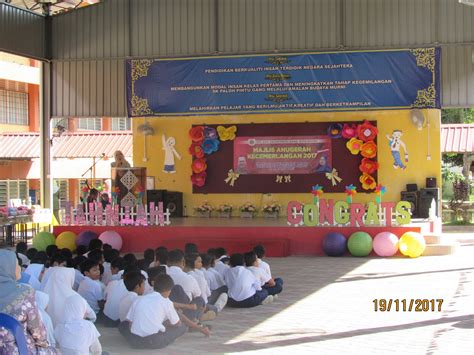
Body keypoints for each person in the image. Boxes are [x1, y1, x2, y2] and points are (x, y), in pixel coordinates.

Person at [0, 250, 57, 354]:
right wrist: (45, 346)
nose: (19, 268)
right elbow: (37, 331)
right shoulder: (24, 294)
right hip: (17, 349)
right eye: (16, 264)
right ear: (7, 269)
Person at [121, 274, 187, 349]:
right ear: (168, 290)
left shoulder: (139, 299)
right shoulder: (166, 302)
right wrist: (166, 324)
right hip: (153, 341)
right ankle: (165, 340)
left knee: (123, 324)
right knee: (182, 327)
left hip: (135, 341)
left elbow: (130, 323)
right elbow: (177, 324)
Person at [167, 249, 205, 321]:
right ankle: (193, 319)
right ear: (183, 262)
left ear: (167, 262)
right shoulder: (189, 277)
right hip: (185, 312)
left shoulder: (162, 276)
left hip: (167, 312)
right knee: (200, 300)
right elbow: (198, 296)